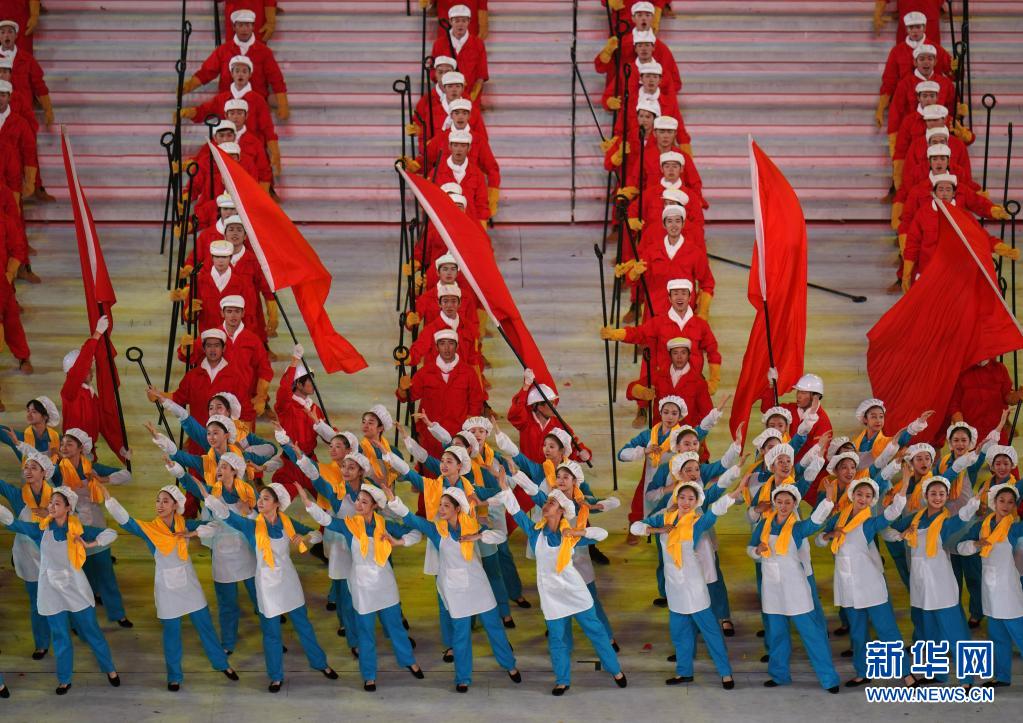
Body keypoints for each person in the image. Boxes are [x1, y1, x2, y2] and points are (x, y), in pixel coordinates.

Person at [496, 474, 628, 695]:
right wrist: (505, 488)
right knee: (557, 639)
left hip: (575, 591)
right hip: (551, 596)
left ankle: (615, 670)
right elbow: (516, 512)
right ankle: (562, 680)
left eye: (551, 503)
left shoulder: (569, 536)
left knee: (596, 632)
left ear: (561, 511)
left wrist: (578, 531)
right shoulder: (535, 532)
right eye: (547, 501)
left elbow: (602, 534)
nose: (546, 505)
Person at [201, 481, 338, 692]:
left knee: (303, 625)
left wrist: (306, 537)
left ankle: (319, 662)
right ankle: (275, 676)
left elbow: (318, 534)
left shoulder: (287, 522)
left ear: (277, 503)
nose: (260, 502)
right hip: (266, 584)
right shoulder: (252, 525)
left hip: (288, 580)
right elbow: (228, 517)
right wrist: (208, 498)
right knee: (271, 632)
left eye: (266, 499)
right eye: (260, 498)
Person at [100, 483, 238, 691]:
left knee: (206, 626)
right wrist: (109, 500)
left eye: (165, 501)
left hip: (189, 585)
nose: (160, 505)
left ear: (175, 505)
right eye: (158, 501)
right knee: (171, 634)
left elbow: (215, 526)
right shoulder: (150, 529)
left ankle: (222, 664)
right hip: (166, 588)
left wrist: (193, 533)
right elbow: (127, 522)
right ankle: (174, 676)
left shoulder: (185, 524)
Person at [388, 479, 521, 692]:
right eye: (440, 505)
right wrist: (393, 499)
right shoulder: (436, 530)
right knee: (461, 634)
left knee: (494, 627)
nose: (441, 509)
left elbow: (500, 535)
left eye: (446, 506)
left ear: (458, 508)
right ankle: (463, 677)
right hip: (455, 589)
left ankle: (510, 665)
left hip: (479, 586)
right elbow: (411, 518)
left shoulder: (472, 525)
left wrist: (479, 535)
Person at [295, 484, 424, 692]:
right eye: (358, 500)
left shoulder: (385, 525)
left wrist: (399, 542)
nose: (358, 505)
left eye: (364, 502)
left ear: (374, 506)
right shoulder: (349, 525)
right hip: (361, 584)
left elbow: (416, 532)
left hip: (385, 582)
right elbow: (326, 520)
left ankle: (408, 660)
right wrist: (308, 504)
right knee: (365, 631)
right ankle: (369, 674)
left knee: (395, 625)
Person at [0, 483, 121, 694]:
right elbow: (13, 523)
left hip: (75, 590)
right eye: (50, 503)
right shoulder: (41, 530)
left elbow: (111, 533)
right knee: (60, 636)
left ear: (68, 508)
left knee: (91, 631)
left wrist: (91, 544)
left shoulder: (79, 530)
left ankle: (110, 669)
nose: (51, 506)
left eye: (56, 503)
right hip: (51, 592)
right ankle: (64, 679)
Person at [631, 473, 748, 687]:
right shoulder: (663, 518)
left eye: (691, 499)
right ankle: (684, 672)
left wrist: (734, 494)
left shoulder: (697, 522)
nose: (686, 502)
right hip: (674, 588)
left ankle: (725, 673)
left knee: (711, 633)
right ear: (676, 498)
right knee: (679, 634)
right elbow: (635, 527)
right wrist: (657, 530)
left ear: (696, 502)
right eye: (682, 497)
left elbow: (716, 511)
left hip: (694, 588)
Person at [816, 468, 912, 687]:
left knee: (886, 629)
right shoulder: (838, 519)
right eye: (860, 494)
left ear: (872, 500)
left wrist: (905, 483)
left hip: (870, 584)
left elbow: (892, 513)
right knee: (858, 633)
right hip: (847, 584)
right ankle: (862, 671)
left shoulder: (870, 522)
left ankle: (906, 672)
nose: (863, 499)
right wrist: (830, 534)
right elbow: (819, 541)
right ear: (852, 495)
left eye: (868, 496)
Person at [887, 475, 981, 685]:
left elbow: (963, 516)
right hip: (920, 584)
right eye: (933, 493)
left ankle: (967, 679)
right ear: (925, 495)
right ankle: (936, 674)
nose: (937, 497)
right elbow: (887, 530)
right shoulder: (914, 519)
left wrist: (974, 502)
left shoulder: (946, 522)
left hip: (941, 584)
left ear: (947, 497)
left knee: (955, 632)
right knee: (928, 633)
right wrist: (900, 535)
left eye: (942, 494)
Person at [748, 480, 840, 692]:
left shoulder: (797, 528)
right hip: (772, 588)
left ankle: (829, 679)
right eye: (779, 501)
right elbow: (750, 548)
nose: (783, 506)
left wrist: (828, 500)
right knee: (777, 635)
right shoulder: (764, 525)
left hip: (795, 587)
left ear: (794, 504)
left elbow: (815, 522)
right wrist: (756, 551)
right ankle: (779, 675)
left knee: (812, 634)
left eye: (787, 502)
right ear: (774, 502)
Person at [167, 452, 259, 655]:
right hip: (222, 557)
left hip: (247, 555)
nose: (219, 470)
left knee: (260, 598)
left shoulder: (248, 493)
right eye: (219, 466)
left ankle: (273, 636)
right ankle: (228, 643)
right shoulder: (212, 492)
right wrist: (175, 468)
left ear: (235, 471)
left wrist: (250, 511)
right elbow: (191, 484)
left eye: (224, 467)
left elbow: (263, 520)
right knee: (227, 605)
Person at [50, 429, 133, 629]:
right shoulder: (57, 470)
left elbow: (126, 475)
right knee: (78, 574)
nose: (64, 447)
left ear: (81, 448)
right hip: (72, 526)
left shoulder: (91, 468)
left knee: (105, 570)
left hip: (95, 522)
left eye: (70, 444)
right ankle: (78, 620)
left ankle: (118, 613)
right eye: (63, 444)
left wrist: (102, 479)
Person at [956, 483, 1023, 687]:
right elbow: (960, 547)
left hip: (1009, 591)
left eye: (1010, 502)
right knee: (997, 637)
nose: (1006, 505)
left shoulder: (1015, 528)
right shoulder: (980, 527)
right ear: (994, 502)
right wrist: (976, 544)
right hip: (990, 591)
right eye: (1002, 501)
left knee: (1020, 635)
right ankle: (1002, 676)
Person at [0, 444, 57, 659]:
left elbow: (72, 522)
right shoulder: (18, 496)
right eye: (26, 467)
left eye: (34, 467)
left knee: (59, 597)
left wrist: (50, 515)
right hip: (28, 557)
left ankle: (65, 628)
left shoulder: (57, 497)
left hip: (54, 556)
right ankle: (41, 643)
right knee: (36, 602)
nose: (28, 471)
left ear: (44, 472)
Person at [183, 9, 288, 117]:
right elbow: (207, 72)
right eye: (240, 25)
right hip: (228, 107)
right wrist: (189, 86)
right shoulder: (223, 51)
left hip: (255, 107)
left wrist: (283, 104)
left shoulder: (264, 52)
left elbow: (276, 78)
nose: (244, 29)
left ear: (253, 27)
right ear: (234, 27)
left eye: (247, 25)